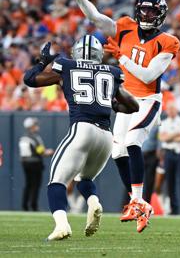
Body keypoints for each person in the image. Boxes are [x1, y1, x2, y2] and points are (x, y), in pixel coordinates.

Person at [66, 0, 180, 232]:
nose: (146, 15)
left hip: (148, 100)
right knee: (117, 153)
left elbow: (149, 75)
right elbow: (96, 18)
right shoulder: (126, 26)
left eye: (152, 11)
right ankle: (137, 202)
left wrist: (121, 57)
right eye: (144, 10)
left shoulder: (168, 41)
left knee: (132, 143)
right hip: (127, 101)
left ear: (160, 14)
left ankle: (138, 201)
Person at [23, 36, 139, 240]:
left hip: (82, 128)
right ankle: (93, 201)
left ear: (76, 52)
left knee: (56, 181)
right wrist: (112, 104)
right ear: (98, 54)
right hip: (105, 136)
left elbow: (30, 80)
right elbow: (133, 106)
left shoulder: (66, 65)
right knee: (84, 178)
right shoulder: (111, 72)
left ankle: (61, 225)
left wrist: (42, 62)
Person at [159, 102, 180, 214]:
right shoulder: (163, 123)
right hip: (168, 153)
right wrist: (177, 134)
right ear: (167, 111)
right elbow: (163, 138)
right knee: (170, 182)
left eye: (173, 109)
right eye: (169, 109)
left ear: (177, 110)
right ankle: (174, 209)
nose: (171, 111)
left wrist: (170, 136)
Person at [19, 117, 53, 211]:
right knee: (35, 185)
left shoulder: (23, 138)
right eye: (35, 125)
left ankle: (24, 205)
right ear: (31, 127)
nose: (37, 126)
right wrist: (50, 152)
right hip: (35, 163)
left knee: (28, 184)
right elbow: (41, 151)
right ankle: (33, 206)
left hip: (25, 163)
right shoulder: (35, 137)